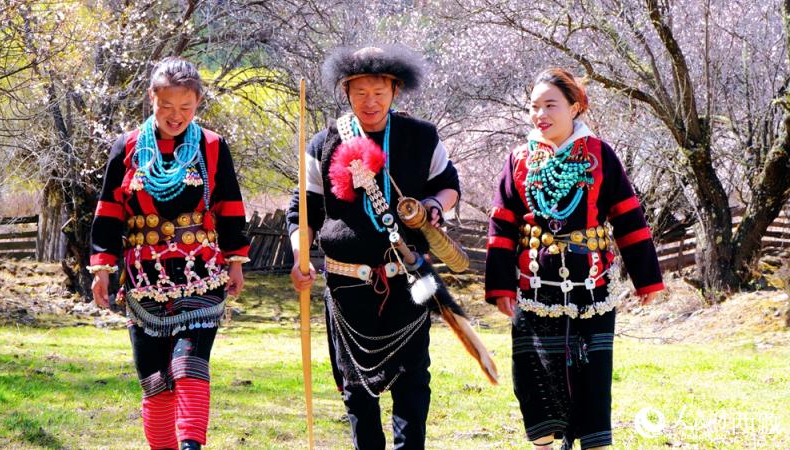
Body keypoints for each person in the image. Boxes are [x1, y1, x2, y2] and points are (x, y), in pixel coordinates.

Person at [286, 44, 460, 449]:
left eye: (380, 92)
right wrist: (299, 257)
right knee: (356, 387)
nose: (371, 102)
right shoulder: (323, 143)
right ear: (346, 91)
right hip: (347, 286)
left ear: (395, 90)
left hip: (409, 280)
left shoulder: (421, 137)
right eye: (360, 92)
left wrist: (433, 207)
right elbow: (302, 212)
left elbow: (448, 185)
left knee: (413, 383)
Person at [485, 68, 663, 450]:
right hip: (535, 291)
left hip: (591, 291)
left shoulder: (600, 155)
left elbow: (628, 217)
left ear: (575, 107)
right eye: (534, 106)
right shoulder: (518, 159)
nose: (540, 114)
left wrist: (646, 278)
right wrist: (500, 287)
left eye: (550, 105)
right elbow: (501, 223)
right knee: (533, 380)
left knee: (591, 382)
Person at [88, 56, 250, 450]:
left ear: (197, 104)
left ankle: (192, 445)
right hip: (144, 281)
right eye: (167, 106)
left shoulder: (212, 147)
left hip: (202, 276)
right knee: (155, 380)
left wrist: (235, 261)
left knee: (188, 365)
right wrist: (102, 269)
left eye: (186, 107)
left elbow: (230, 207)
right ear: (152, 99)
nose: (176, 116)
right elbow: (108, 213)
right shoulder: (127, 148)